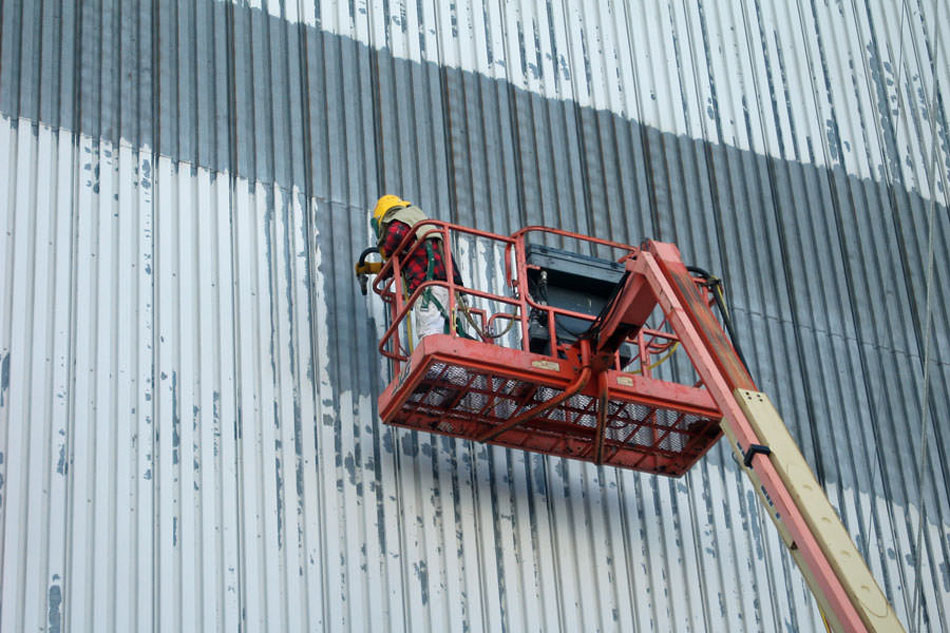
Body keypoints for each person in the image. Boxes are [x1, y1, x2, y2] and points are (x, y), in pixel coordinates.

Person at [372, 195, 463, 341]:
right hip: (448, 288)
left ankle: (435, 351)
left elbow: (393, 239)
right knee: (449, 328)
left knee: (430, 330)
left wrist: (384, 249)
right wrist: (374, 268)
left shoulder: (401, 219)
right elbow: (397, 264)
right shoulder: (418, 228)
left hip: (428, 288)